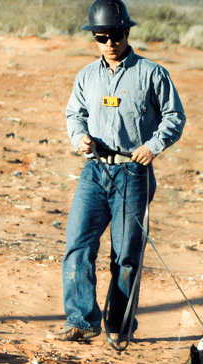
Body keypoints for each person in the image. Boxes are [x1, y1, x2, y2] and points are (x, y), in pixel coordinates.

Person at [49, 0, 185, 343]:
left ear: (127, 32)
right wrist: (79, 136)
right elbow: (74, 113)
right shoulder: (86, 75)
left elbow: (174, 116)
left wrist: (152, 146)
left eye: (116, 35)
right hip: (94, 170)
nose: (110, 42)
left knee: (126, 256)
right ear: (94, 37)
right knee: (78, 245)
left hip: (132, 173)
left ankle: (120, 326)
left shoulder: (152, 73)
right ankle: (80, 320)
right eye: (101, 37)